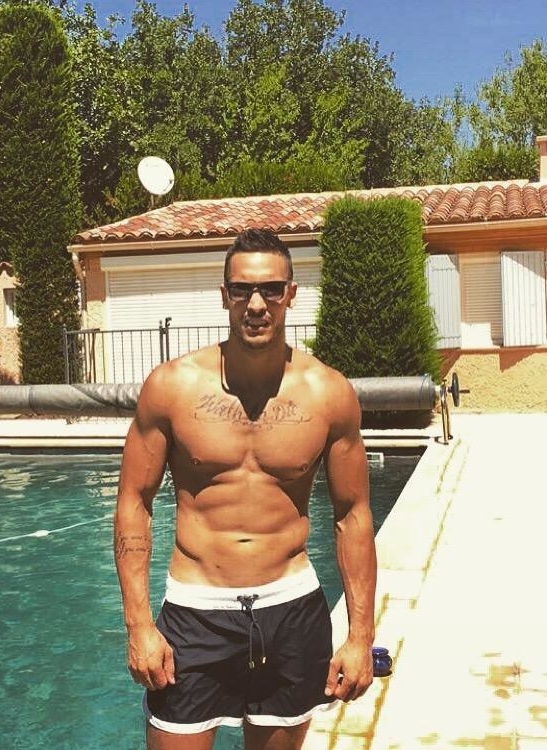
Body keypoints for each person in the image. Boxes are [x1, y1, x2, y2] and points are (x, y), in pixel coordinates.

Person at [114, 228, 377, 750]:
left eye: (271, 289)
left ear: (291, 294)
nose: (256, 304)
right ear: (225, 295)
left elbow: (353, 515)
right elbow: (133, 504)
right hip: (195, 611)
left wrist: (360, 637)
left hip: (292, 608)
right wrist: (139, 624)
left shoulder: (329, 393)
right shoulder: (172, 387)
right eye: (242, 290)